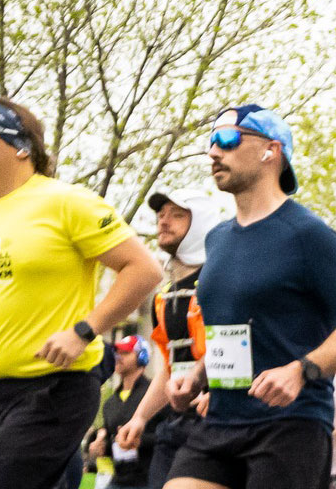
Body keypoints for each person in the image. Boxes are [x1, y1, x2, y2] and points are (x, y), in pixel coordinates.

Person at [0, 98, 163, 489]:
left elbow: (144, 269)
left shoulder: (66, 201)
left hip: (57, 387)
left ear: (22, 147)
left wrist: (83, 331)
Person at [164, 104, 336, 489]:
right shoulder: (218, 240)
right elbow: (234, 332)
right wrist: (197, 377)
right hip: (220, 421)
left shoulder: (308, 235)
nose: (213, 151)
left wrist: (301, 370)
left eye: (227, 139)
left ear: (271, 150)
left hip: (290, 424)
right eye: (211, 141)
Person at [118, 189, 230, 484]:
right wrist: (140, 418)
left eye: (177, 215)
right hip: (176, 423)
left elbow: (242, 344)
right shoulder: (164, 296)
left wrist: (222, 393)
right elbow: (170, 368)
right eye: (161, 215)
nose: (163, 221)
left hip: (220, 422)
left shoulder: (223, 280)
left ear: (202, 223)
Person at [94, 337, 156, 489]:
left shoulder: (154, 396)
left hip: (149, 478)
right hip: (119, 479)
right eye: (117, 352)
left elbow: (171, 433)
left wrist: (141, 441)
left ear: (142, 357)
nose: (118, 356)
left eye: (126, 353)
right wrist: (101, 446)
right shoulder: (110, 403)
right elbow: (112, 439)